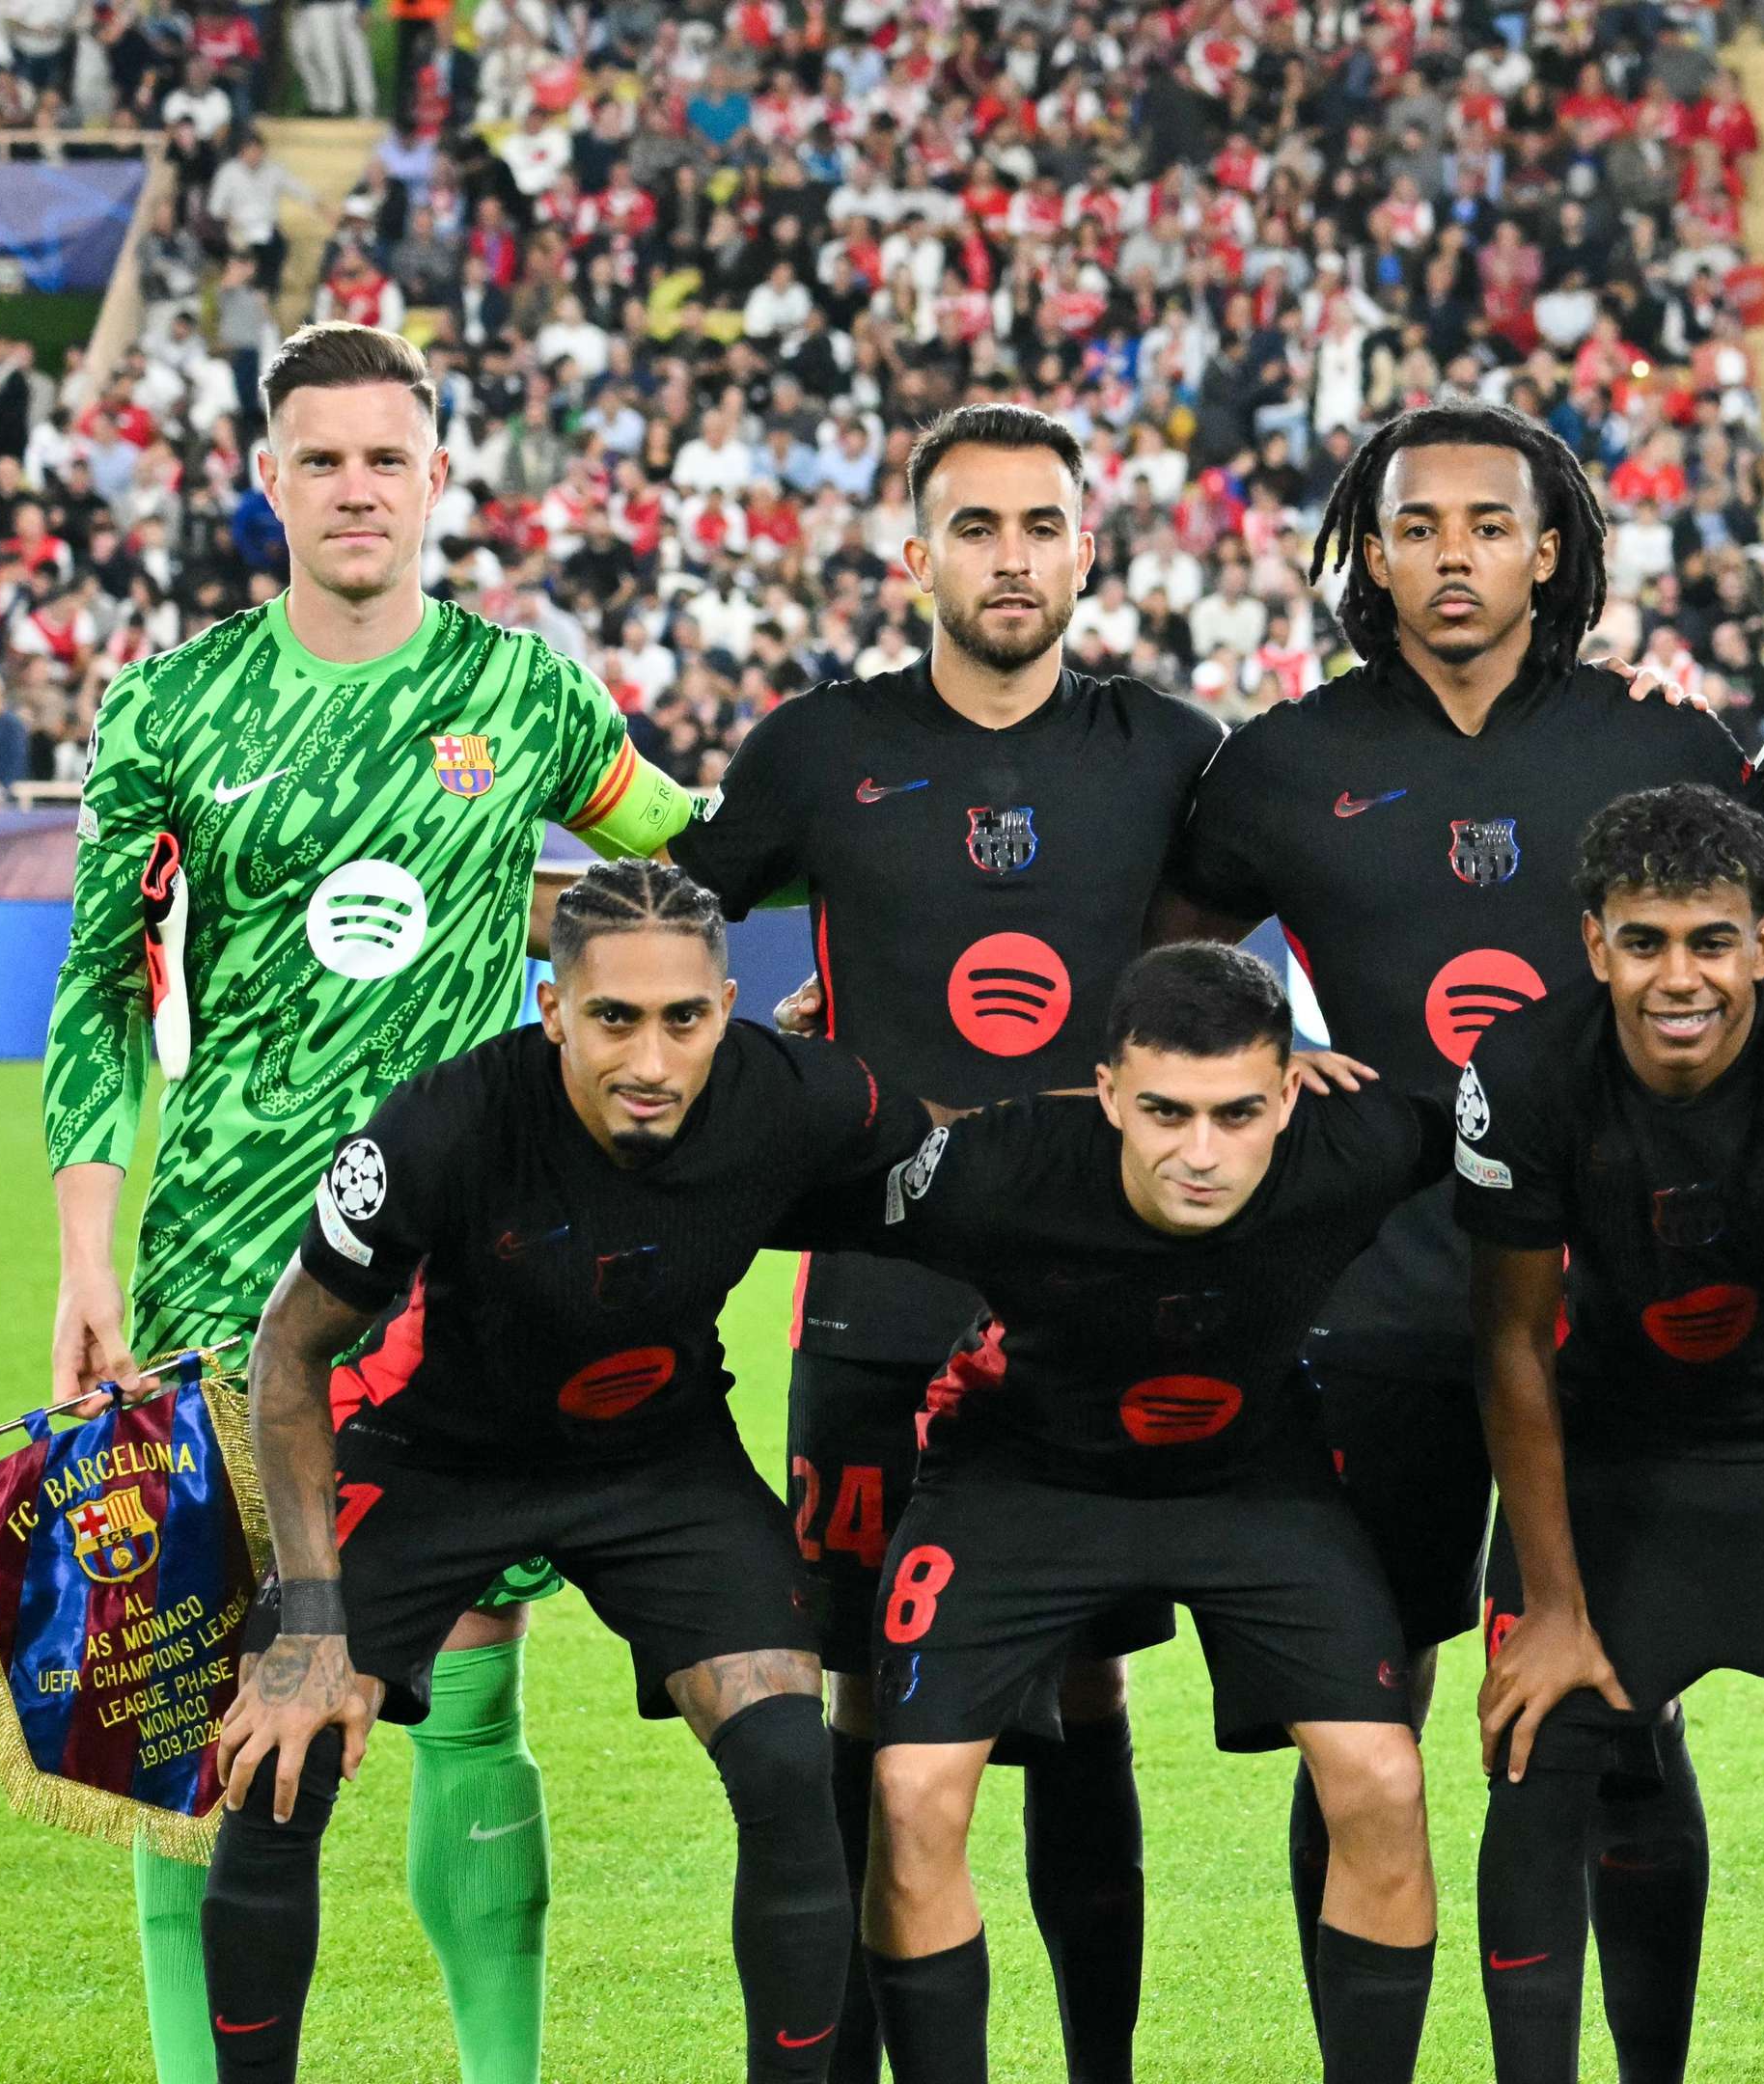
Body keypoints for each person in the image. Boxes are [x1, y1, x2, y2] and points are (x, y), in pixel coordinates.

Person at [42, 320, 701, 2084]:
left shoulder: (530, 696)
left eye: (385, 458)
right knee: (197, 1721)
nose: (355, 488)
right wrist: (87, 1250)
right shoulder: (171, 708)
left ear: (433, 478)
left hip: (462, 1274)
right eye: (319, 458)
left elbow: (692, 847)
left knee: (469, 1685)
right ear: (268, 479)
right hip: (217, 1263)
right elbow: (100, 989)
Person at [1155, 397, 1752, 2066]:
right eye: (1416, 526)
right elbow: (1162, 970)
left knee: (1623, 1709)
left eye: (1490, 525)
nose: (1454, 557)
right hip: (1373, 1300)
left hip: (1615, 1300)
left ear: (1550, 550)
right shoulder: (1283, 762)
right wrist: (1261, 1049)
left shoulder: (1658, 742)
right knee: (1369, 1723)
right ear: (1373, 551)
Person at [665, 401, 1224, 2084]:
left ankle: (1099, 2070)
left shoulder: (1174, 751)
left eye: (1040, 526)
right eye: (974, 528)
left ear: (1086, 552)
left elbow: (1377, 828)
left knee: (1086, 1706)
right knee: (863, 1702)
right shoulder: (816, 749)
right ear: (914, 556)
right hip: (876, 1309)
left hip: (1095, 1317)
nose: (1010, 558)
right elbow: (667, 932)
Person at [200, 862, 932, 2084]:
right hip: (439, 1460)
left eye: (684, 1019)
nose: (650, 1059)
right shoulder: (443, 1125)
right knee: (281, 1757)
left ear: (728, 1006)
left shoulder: (796, 1094)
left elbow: (964, 1163)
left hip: (662, 1460)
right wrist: (311, 1624)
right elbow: (289, 1351)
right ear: (553, 1009)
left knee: (787, 1765)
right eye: (613, 1019)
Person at [772, 942, 1452, 2084]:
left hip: (1253, 1483)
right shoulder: (998, 1168)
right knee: (914, 1788)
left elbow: (1545, 1123)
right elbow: (768, 1189)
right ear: (1104, 1096)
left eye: (1240, 1111)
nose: (1201, 1153)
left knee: (1383, 1778)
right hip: (1022, 1483)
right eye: (1164, 1112)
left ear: (1291, 1091)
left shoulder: (1359, 1142)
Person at [1455, 785, 1764, 2081]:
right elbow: (1514, 1341)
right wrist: (1554, 1608)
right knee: (1538, 1737)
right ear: (1592, 944)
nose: (1679, 977)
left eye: (1711, 941)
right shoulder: (1519, 1074)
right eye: (1644, 941)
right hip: (1616, 1459)